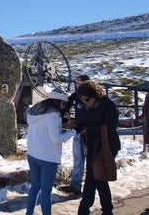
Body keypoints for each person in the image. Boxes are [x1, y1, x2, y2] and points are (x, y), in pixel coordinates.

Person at [25, 87, 81, 215]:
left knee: (35, 187)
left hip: (33, 154)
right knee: (46, 192)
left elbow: (45, 128)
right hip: (48, 157)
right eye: (63, 104)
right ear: (59, 102)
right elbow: (56, 139)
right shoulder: (53, 115)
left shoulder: (36, 110)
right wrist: (74, 131)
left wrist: (63, 125)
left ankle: (29, 213)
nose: (64, 107)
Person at [75, 80, 121, 215]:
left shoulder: (108, 106)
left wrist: (87, 129)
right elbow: (83, 122)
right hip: (92, 145)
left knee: (98, 178)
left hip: (106, 146)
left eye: (87, 99)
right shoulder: (86, 106)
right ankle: (100, 210)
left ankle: (94, 210)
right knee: (94, 178)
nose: (85, 102)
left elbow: (110, 128)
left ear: (94, 95)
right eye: (82, 99)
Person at [59, 74, 90, 195]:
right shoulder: (75, 96)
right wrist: (66, 121)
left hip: (92, 132)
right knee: (78, 158)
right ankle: (76, 185)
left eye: (80, 83)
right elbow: (64, 108)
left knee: (92, 159)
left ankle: (91, 185)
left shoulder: (92, 96)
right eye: (76, 83)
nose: (77, 85)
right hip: (78, 130)